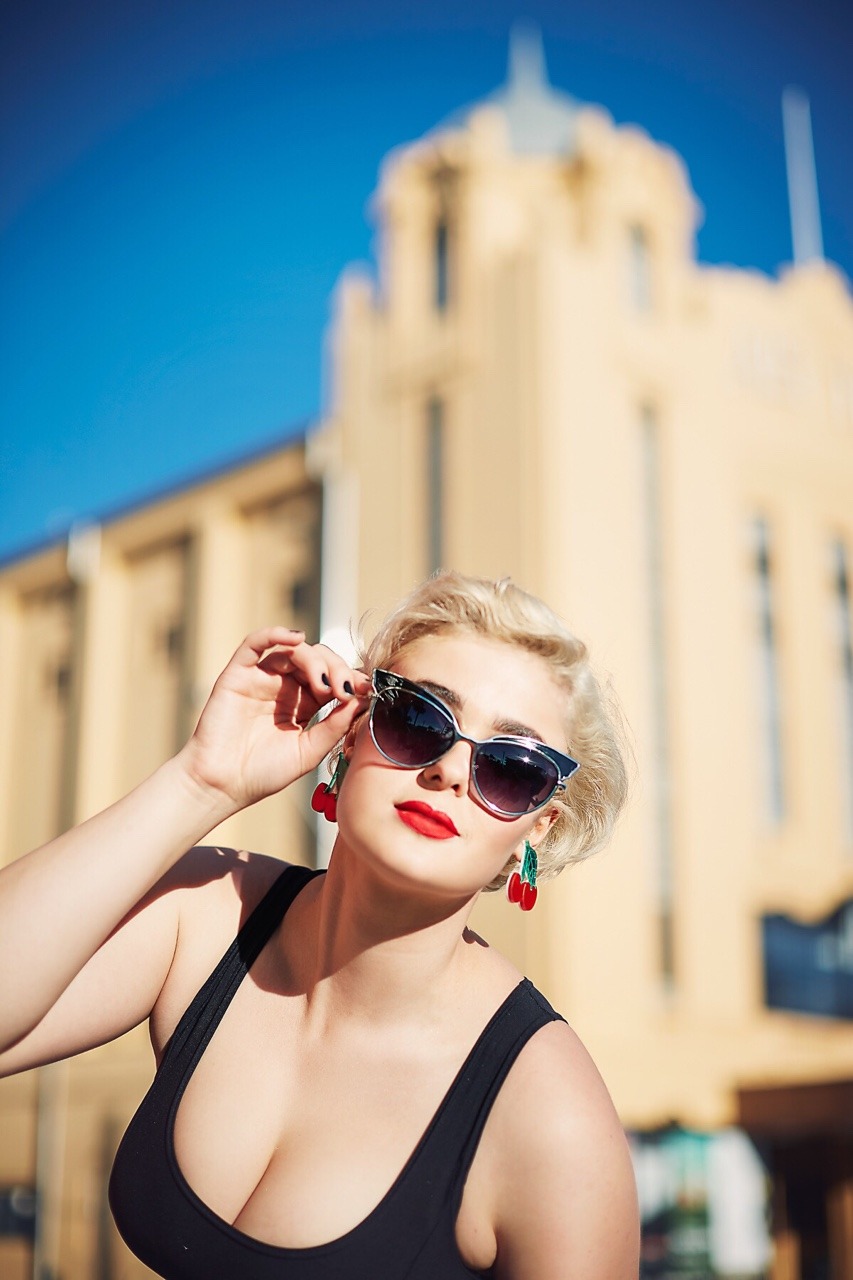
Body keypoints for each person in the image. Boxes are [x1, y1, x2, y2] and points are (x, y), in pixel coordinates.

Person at [0, 570, 639, 1278]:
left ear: (537, 830)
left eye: (511, 767)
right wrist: (202, 782)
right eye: (419, 719)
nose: (452, 771)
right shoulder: (211, 913)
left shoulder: (551, 1121)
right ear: (350, 731)